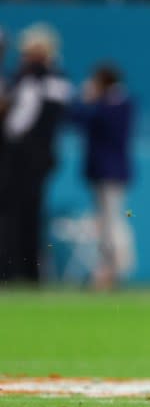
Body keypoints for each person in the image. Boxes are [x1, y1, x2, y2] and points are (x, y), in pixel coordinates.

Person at [0, 23, 72, 283]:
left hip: (25, 159)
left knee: (18, 215)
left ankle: (18, 270)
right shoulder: (48, 81)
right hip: (34, 159)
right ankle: (24, 270)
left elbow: (18, 125)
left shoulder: (39, 81)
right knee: (23, 215)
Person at [68, 64, 136, 290]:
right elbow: (75, 119)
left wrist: (89, 99)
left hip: (111, 172)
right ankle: (110, 267)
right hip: (102, 171)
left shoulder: (117, 103)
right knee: (107, 221)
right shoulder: (107, 103)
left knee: (114, 219)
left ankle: (117, 268)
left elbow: (94, 120)